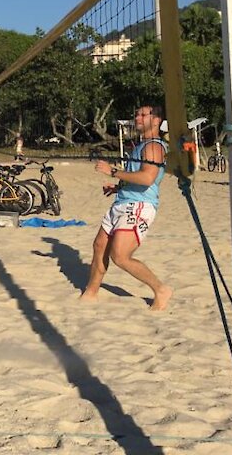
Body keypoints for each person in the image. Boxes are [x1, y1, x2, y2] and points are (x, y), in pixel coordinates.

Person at [81, 104, 174, 311]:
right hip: (123, 202)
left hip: (139, 206)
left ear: (157, 120)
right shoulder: (141, 145)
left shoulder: (154, 146)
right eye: (136, 114)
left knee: (120, 256)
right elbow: (136, 177)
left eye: (143, 114)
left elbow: (148, 178)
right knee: (99, 246)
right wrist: (118, 187)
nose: (137, 117)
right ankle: (91, 293)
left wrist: (113, 172)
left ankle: (160, 289)